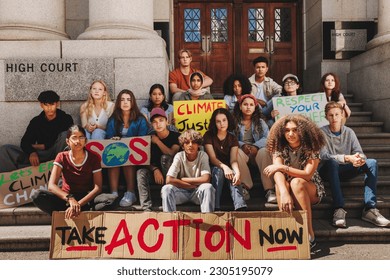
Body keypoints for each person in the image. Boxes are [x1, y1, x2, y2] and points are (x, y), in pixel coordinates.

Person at [319, 101, 390, 228]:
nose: (334, 118)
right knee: (332, 162)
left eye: (337, 114)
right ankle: (338, 209)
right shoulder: (321, 133)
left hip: (345, 170)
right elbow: (323, 156)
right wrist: (347, 158)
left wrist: (360, 159)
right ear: (326, 117)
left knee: (371, 162)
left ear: (342, 115)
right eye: (331, 115)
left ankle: (369, 209)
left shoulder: (349, 132)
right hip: (327, 171)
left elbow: (359, 152)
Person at [263, 114, 326, 248]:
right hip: (288, 188)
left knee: (296, 182)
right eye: (287, 130)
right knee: (281, 183)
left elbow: (307, 175)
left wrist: (282, 167)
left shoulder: (312, 146)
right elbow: (277, 173)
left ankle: (309, 235)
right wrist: (284, 192)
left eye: (295, 130)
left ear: (303, 131)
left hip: (309, 188)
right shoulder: (279, 146)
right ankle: (287, 231)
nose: (290, 134)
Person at [32, 125, 117, 218]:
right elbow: (51, 186)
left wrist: (78, 204)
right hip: (67, 199)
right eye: (74, 138)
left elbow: (97, 188)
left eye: (81, 138)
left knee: (110, 200)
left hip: (86, 200)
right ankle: (62, 216)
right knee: (37, 195)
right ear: (68, 141)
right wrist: (70, 199)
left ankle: (79, 213)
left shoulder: (94, 157)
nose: (78, 141)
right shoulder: (61, 156)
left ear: (85, 141)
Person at [0, 90, 73, 173]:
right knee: (5, 149)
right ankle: (11, 178)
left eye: (52, 104)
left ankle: (60, 168)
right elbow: (25, 142)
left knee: (65, 135)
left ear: (57, 104)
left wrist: (39, 146)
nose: (49, 108)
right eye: (46, 105)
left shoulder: (65, 118)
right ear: (41, 105)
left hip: (57, 153)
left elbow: (56, 141)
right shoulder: (36, 121)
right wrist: (32, 152)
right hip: (40, 155)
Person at [105, 89, 149, 207]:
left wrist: (128, 144)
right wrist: (113, 139)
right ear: (118, 102)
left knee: (126, 156)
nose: (125, 102)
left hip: (135, 154)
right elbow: (108, 137)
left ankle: (131, 192)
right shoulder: (113, 119)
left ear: (133, 102)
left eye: (128, 100)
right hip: (118, 152)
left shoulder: (140, 119)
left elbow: (143, 139)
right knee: (115, 154)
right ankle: (113, 193)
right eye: (122, 99)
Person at [232, 94, 276, 203]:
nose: (248, 107)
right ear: (240, 106)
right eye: (245, 104)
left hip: (256, 153)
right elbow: (230, 138)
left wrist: (256, 146)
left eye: (251, 105)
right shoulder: (233, 122)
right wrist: (242, 145)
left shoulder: (260, 122)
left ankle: (269, 190)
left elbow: (268, 138)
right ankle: (245, 187)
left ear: (255, 107)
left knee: (264, 151)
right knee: (235, 152)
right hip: (242, 153)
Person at [136, 108, 180, 211]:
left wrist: (158, 141)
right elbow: (143, 160)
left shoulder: (176, 136)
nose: (158, 124)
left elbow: (171, 153)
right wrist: (154, 169)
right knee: (140, 172)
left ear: (167, 122)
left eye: (161, 120)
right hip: (157, 174)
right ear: (151, 125)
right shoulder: (148, 139)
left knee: (165, 158)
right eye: (155, 122)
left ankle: (168, 195)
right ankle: (146, 207)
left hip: (173, 174)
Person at [161, 129, 215, 213]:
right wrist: (189, 186)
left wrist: (183, 179)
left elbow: (206, 179)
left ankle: (208, 218)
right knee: (166, 189)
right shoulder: (179, 156)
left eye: (193, 142)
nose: (190, 145)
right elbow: (169, 180)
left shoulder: (203, 155)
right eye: (187, 143)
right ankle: (169, 221)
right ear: (183, 146)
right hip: (181, 192)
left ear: (198, 145)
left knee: (208, 187)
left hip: (197, 192)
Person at [204, 108, 247, 211]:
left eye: (224, 120)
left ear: (228, 121)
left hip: (228, 169)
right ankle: (215, 206)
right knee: (219, 171)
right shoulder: (208, 135)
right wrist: (225, 167)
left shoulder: (232, 138)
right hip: (213, 167)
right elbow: (213, 158)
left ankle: (240, 207)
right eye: (218, 121)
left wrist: (237, 172)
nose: (221, 124)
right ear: (214, 123)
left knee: (234, 174)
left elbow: (233, 160)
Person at [248, 56, 282, 124]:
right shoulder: (248, 82)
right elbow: (245, 96)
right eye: (258, 67)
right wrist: (257, 100)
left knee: (278, 96)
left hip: (267, 109)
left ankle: (262, 117)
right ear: (254, 69)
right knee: (269, 121)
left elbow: (280, 90)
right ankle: (262, 117)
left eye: (263, 67)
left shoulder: (269, 81)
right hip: (254, 110)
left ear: (266, 69)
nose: (260, 70)